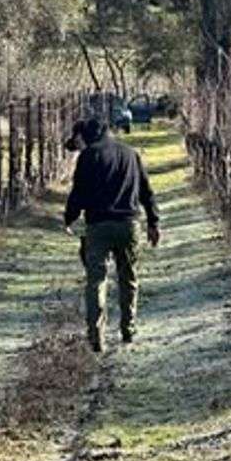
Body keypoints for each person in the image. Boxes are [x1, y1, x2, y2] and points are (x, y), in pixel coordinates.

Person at [63, 116, 160, 352]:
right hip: (129, 224)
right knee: (129, 278)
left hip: (98, 227)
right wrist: (153, 222)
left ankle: (96, 334)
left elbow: (79, 192)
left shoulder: (89, 156)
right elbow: (146, 191)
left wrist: (69, 217)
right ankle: (129, 329)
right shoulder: (131, 154)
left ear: (88, 136)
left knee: (96, 280)